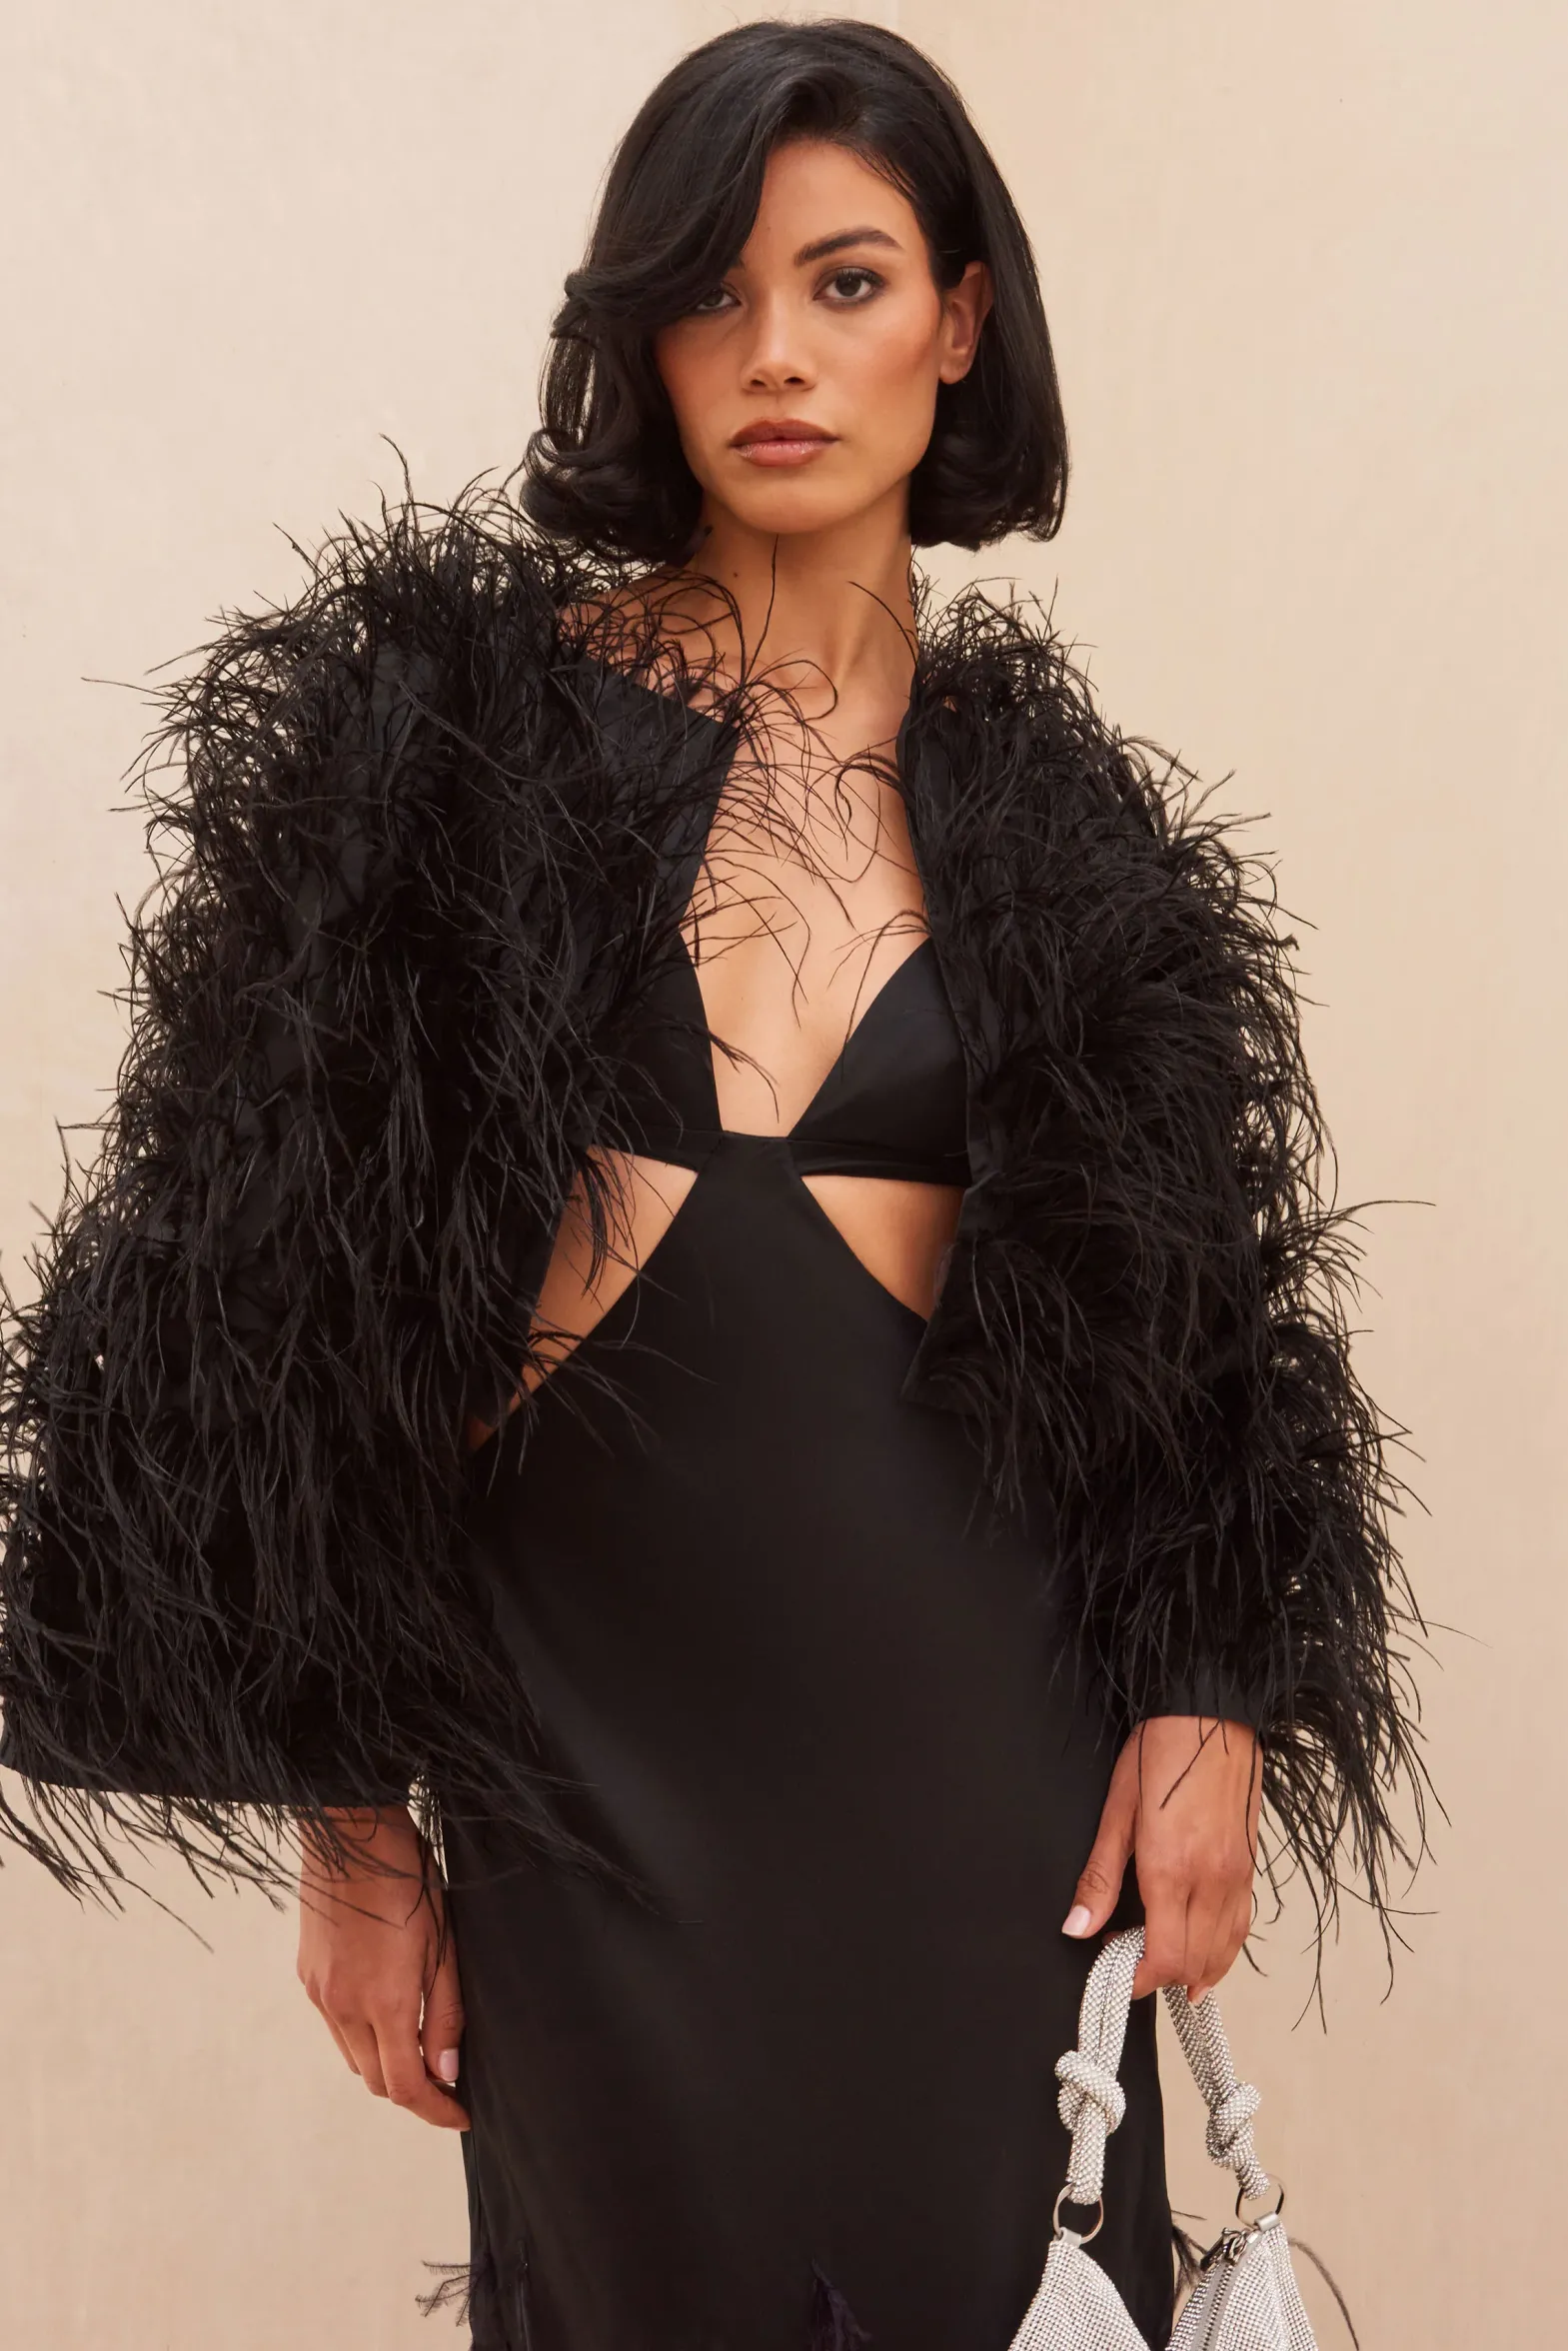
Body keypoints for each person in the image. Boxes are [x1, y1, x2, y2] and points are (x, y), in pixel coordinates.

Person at [0, 20, 1421, 2351]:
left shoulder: (1069, 841)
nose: (773, 354)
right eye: (708, 292)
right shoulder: (434, 767)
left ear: (957, 320)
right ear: (635, 336)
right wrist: (352, 1836)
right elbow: (254, 1330)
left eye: (846, 282)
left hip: (990, 1797)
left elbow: (1202, 1356)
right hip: (589, 1792)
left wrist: (1214, 1694)